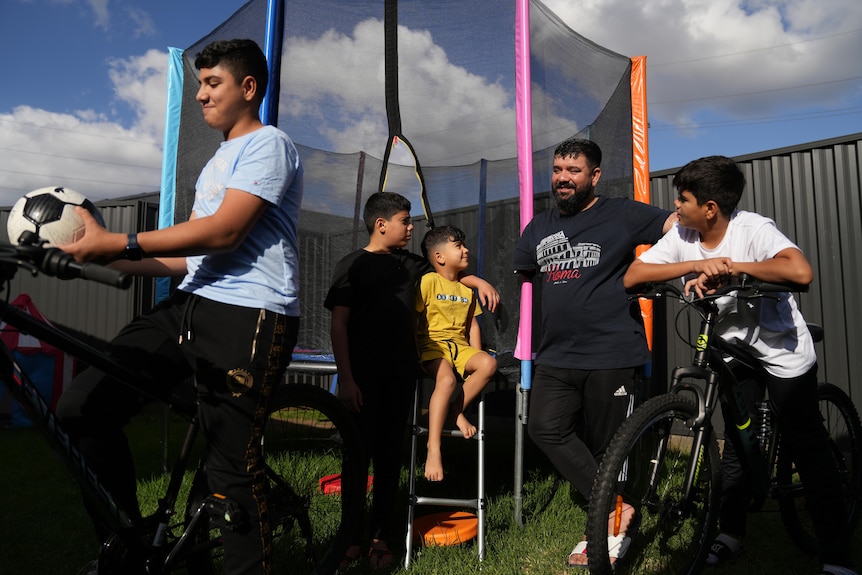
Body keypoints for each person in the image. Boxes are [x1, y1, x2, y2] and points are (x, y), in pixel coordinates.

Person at [57, 39, 303, 575]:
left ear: (248, 88)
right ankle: (125, 554)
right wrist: (96, 257)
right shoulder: (217, 161)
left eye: (212, 83)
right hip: (191, 305)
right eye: (198, 84)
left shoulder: (270, 144)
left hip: (250, 314)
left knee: (231, 471)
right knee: (82, 408)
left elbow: (226, 231)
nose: (199, 95)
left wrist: (120, 242)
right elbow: (188, 257)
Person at [624, 155, 858, 575]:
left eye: (683, 199)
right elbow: (634, 275)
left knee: (807, 445)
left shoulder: (753, 229)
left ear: (710, 207)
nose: (675, 207)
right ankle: (731, 533)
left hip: (781, 350)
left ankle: (838, 556)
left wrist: (732, 269)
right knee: (734, 437)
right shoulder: (683, 234)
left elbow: (800, 271)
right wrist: (697, 264)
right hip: (736, 350)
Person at [512, 137, 676, 567]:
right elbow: (525, 271)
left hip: (611, 351)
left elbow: (676, 225)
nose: (562, 179)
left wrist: (678, 266)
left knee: (609, 445)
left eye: (573, 171)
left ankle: (606, 529)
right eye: (557, 170)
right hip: (555, 355)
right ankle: (616, 508)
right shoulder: (539, 225)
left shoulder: (621, 213)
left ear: (594, 176)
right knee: (544, 429)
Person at [324, 192, 498, 570]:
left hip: (399, 374)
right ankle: (349, 538)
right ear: (382, 224)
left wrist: (478, 280)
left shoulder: (413, 265)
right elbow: (338, 325)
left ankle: (381, 539)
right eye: (406, 220)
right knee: (356, 459)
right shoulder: (351, 264)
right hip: (361, 377)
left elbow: (448, 271)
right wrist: (347, 378)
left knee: (389, 460)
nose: (411, 226)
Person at [416, 225, 497, 482]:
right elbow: (415, 316)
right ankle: (433, 447)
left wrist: (473, 356)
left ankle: (454, 411)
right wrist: (412, 350)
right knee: (447, 379)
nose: (466, 250)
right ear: (439, 257)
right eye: (458, 246)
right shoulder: (429, 281)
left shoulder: (467, 290)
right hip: (432, 345)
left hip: (460, 348)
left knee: (487, 364)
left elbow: (472, 325)